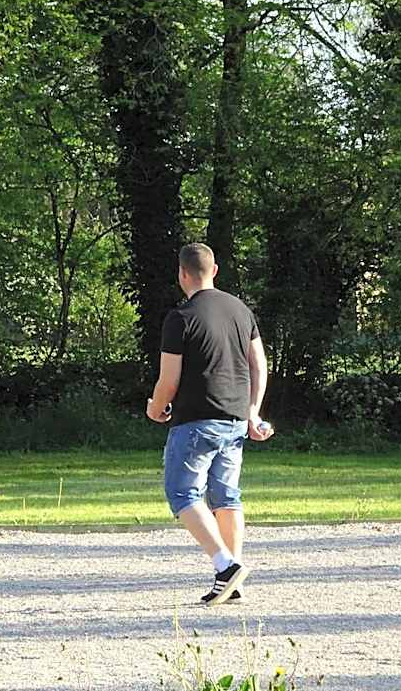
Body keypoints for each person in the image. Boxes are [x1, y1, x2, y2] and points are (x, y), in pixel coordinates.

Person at [146, 242, 273, 606]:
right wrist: (253, 411)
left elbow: (168, 378)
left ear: (182, 274)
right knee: (226, 497)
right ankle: (231, 582)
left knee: (183, 493)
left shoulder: (180, 317)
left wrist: (156, 408)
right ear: (214, 270)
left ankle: (225, 566)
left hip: (196, 421)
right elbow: (258, 365)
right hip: (235, 420)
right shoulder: (241, 310)